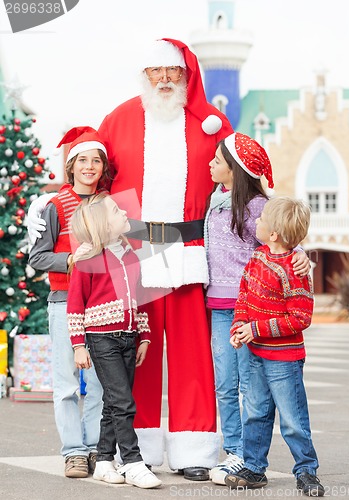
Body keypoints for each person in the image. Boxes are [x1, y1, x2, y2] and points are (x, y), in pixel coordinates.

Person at [28, 38, 232, 479]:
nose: (163, 79)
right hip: (130, 255)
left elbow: (238, 178)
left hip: (188, 252)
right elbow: (87, 169)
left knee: (192, 354)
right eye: (155, 72)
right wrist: (47, 203)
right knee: (131, 356)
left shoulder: (210, 124)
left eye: (171, 72)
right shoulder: (118, 119)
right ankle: (133, 448)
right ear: (144, 75)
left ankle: (194, 449)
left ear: (185, 75)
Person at [205, 133, 310, 485]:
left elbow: (281, 240)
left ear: (235, 170)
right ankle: (235, 450)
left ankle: (249, 457)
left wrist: (301, 256)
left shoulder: (256, 208)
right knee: (224, 383)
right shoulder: (214, 201)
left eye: (218, 161)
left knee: (249, 387)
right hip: (219, 307)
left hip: (249, 307)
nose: (211, 164)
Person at [225, 197, 325, 497]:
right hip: (255, 353)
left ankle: (306, 470)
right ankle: (254, 468)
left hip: (284, 359)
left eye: (262, 219)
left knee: (293, 419)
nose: (256, 221)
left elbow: (300, 318)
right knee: (255, 412)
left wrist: (254, 329)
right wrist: (238, 326)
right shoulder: (257, 258)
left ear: (274, 234)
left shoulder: (296, 269)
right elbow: (243, 296)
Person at [28, 127, 108, 478]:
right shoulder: (55, 205)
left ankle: (93, 448)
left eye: (96, 161)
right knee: (67, 382)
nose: (90, 167)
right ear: (72, 166)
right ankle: (73, 451)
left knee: (102, 384)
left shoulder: (110, 204)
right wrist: (70, 261)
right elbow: (37, 257)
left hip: (104, 304)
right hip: (64, 302)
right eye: (83, 160)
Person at [67, 193, 161, 489]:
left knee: (113, 401)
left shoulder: (131, 255)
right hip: (101, 338)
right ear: (102, 225)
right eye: (116, 211)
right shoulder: (86, 259)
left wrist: (144, 336)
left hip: (128, 337)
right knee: (123, 401)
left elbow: (141, 299)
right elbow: (75, 305)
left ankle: (105, 460)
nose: (123, 213)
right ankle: (133, 461)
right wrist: (78, 344)